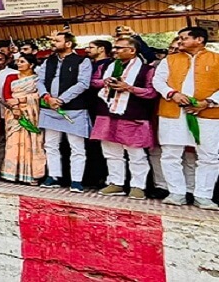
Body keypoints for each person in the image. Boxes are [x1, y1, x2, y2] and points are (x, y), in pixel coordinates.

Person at [152, 26, 219, 209]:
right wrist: (172, 94)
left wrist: (208, 102)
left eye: (184, 38)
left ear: (199, 40)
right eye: (179, 38)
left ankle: (203, 196)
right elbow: (157, 81)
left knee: (209, 156)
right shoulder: (169, 60)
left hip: (208, 113)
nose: (180, 41)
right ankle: (176, 193)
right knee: (170, 154)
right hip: (173, 111)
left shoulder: (216, 59)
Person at [90, 36, 158, 199]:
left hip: (132, 115)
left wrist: (129, 88)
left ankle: (138, 186)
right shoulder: (108, 66)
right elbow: (93, 82)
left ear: (132, 50)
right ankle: (116, 183)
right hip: (107, 113)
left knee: (136, 153)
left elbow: (152, 93)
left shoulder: (146, 70)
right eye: (115, 47)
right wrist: (104, 81)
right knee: (111, 151)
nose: (115, 50)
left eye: (120, 48)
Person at [37, 31, 93, 193]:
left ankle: (76, 180)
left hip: (73, 109)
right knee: (50, 145)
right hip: (49, 108)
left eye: (57, 40)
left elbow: (83, 84)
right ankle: (53, 176)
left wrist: (61, 100)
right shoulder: (49, 60)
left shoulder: (83, 61)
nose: (53, 43)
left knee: (76, 147)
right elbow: (39, 81)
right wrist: (47, 97)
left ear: (68, 44)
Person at [0, 53, 46, 185]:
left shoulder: (37, 80)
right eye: (18, 62)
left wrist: (23, 100)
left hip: (31, 114)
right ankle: (12, 173)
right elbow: (7, 95)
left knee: (32, 142)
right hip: (14, 114)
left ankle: (32, 175)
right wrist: (15, 107)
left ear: (31, 65)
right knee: (13, 141)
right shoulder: (11, 77)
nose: (18, 64)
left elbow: (38, 95)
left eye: (22, 61)